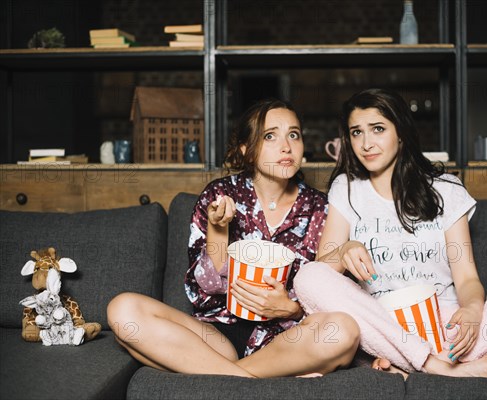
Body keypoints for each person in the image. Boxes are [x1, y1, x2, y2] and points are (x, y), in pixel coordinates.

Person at [293, 88, 487, 380]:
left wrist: (473, 310)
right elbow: (323, 270)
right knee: (308, 277)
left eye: (378, 129)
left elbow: (467, 279)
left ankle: (406, 361)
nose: (366, 143)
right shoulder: (347, 187)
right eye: (356, 132)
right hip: (380, 323)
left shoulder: (446, 189)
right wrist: (344, 251)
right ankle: (437, 367)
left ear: (401, 132)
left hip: (443, 325)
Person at [107, 99, 359, 377]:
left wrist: (291, 309)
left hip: (286, 342)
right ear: (247, 151)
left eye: (293, 134)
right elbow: (208, 286)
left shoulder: (320, 207)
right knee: (123, 309)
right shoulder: (220, 194)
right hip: (216, 337)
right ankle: (246, 378)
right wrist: (218, 228)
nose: (286, 146)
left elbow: (330, 289)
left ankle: (223, 375)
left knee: (344, 333)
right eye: (270, 136)